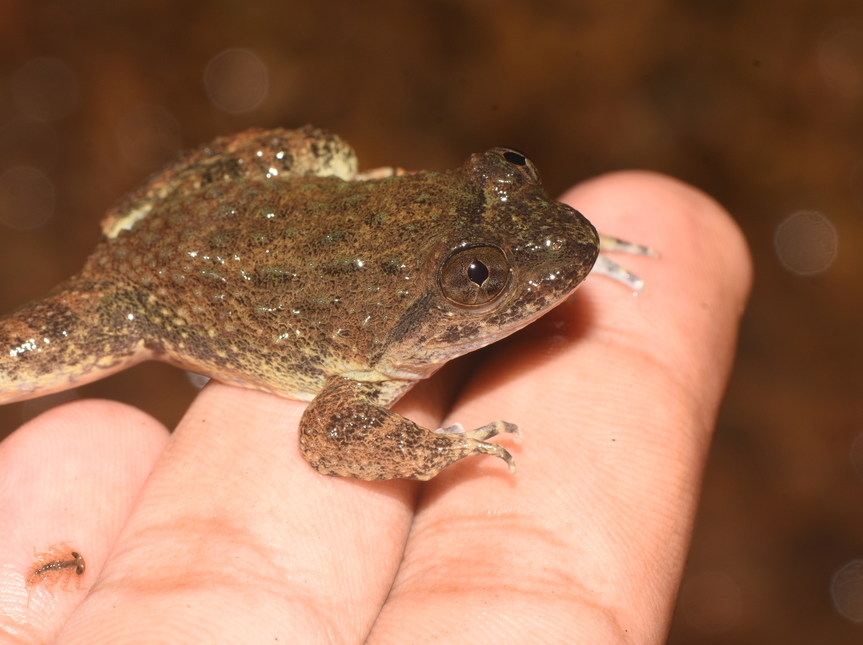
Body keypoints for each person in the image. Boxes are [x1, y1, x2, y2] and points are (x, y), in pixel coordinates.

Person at [0, 172, 753, 643]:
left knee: (321, 147)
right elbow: (327, 434)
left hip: (229, 209)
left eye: (512, 178)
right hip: (150, 292)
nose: (552, 240)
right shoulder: (363, 364)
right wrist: (436, 450)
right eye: (483, 276)